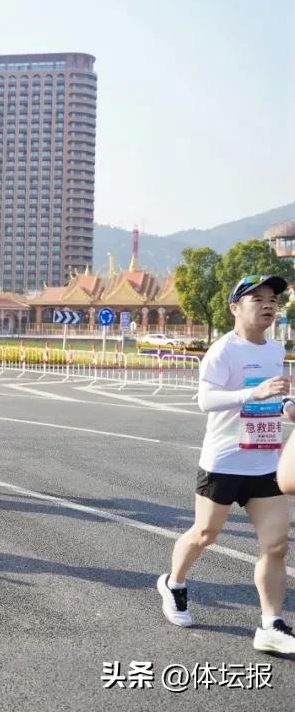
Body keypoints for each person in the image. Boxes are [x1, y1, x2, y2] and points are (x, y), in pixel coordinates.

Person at [157, 274, 295, 655]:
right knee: (205, 533)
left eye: (273, 300)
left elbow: (273, 394)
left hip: (264, 460)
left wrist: (287, 406)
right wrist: (254, 392)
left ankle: (271, 624)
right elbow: (206, 400)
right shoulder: (222, 351)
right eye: (257, 299)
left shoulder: (275, 350)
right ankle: (173, 583)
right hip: (224, 460)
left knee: (276, 544)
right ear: (235, 307)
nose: (268, 306)